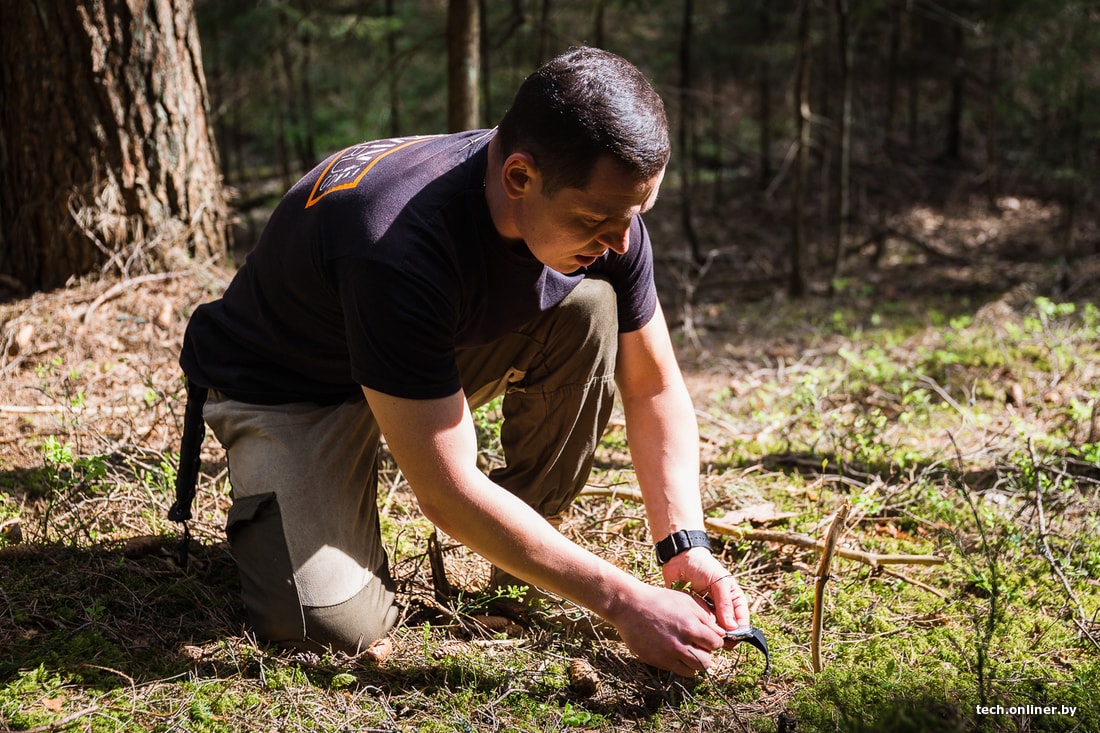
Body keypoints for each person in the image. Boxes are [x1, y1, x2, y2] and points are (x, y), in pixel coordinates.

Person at [173, 46, 751, 676]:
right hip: (292, 389)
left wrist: (684, 545)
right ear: (520, 177)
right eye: (597, 218)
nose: (620, 240)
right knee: (324, 628)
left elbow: (653, 388)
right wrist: (622, 599)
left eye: (634, 215)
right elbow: (446, 490)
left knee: (590, 307)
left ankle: (521, 545)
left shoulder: (602, 212)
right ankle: (317, 509)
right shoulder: (395, 243)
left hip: (421, 357)